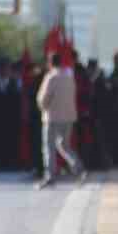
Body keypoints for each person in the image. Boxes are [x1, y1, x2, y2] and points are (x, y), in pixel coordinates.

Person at [37, 52, 85, 186]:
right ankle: (78, 168)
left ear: (50, 63)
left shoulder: (51, 77)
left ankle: (50, 176)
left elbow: (43, 98)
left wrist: (42, 107)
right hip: (69, 116)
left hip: (52, 117)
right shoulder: (69, 76)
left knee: (49, 147)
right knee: (64, 145)